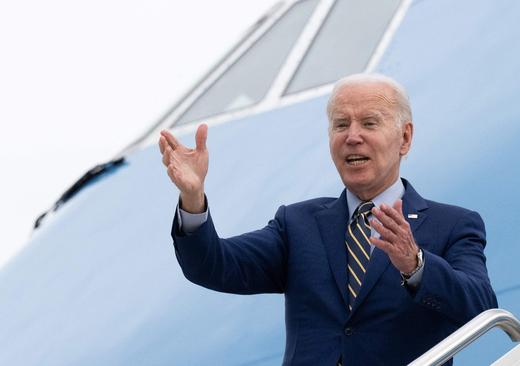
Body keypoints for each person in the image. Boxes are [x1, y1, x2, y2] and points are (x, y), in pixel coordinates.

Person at [159, 74, 498, 365]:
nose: (352, 136)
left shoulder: (452, 225)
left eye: (369, 123)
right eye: (341, 124)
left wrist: (416, 265)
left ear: (404, 138)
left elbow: (481, 309)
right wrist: (192, 197)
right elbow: (212, 265)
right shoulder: (298, 224)